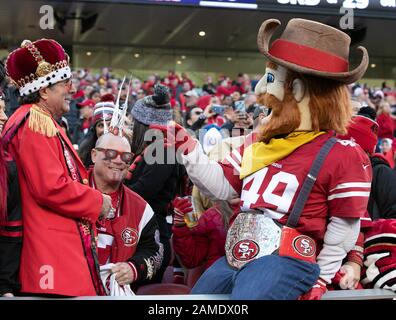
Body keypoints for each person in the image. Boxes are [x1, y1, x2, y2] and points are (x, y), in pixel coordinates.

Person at [151, 18, 371, 300]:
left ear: (299, 90)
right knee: (198, 301)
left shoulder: (344, 153)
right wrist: (190, 148)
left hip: (287, 260)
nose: (260, 92)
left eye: (272, 79)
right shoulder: (259, 141)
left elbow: (344, 227)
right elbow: (221, 187)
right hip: (236, 256)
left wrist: (323, 277)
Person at [2, 39, 113, 296]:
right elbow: (50, 188)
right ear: (43, 91)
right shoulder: (35, 122)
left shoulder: (36, 119)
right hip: (50, 255)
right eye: (64, 83)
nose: (71, 89)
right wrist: (98, 202)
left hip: (51, 251)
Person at [125, 84, 186, 283]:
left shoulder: (163, 151)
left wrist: (111, 193)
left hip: (152, 236)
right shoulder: (155, 148)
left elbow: (144, 191)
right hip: (145, 230)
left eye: (134, 123)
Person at [90, 133, 163, 292]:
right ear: (94, 155)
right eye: (111, 153)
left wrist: (134, 268)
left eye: (126, 156)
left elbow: (155, 251)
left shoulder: (141, 208)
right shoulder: (70, 193)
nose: (118, 161)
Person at [0, 60, 22, 297]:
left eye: (4, 108)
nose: (4, 117)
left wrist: (5, 286)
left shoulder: (8, 166)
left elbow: (11, 234)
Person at [78, 94, 115, 167]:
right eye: (101, 125)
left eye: (110, 124)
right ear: (94, 129)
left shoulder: (125, 150)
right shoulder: (85, 151)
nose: (105, 130)